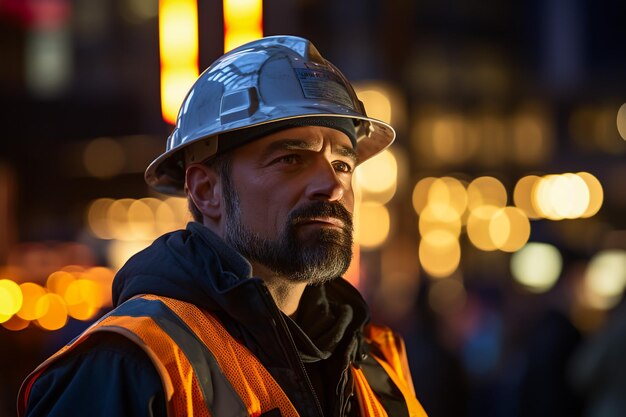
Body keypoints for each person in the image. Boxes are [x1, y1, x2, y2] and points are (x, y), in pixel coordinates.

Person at [18, 35, 427, 417]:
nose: (333, 185)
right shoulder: (128, 364)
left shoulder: (378, 358)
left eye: (342, 164)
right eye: (291, 159)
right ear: (207, 191)